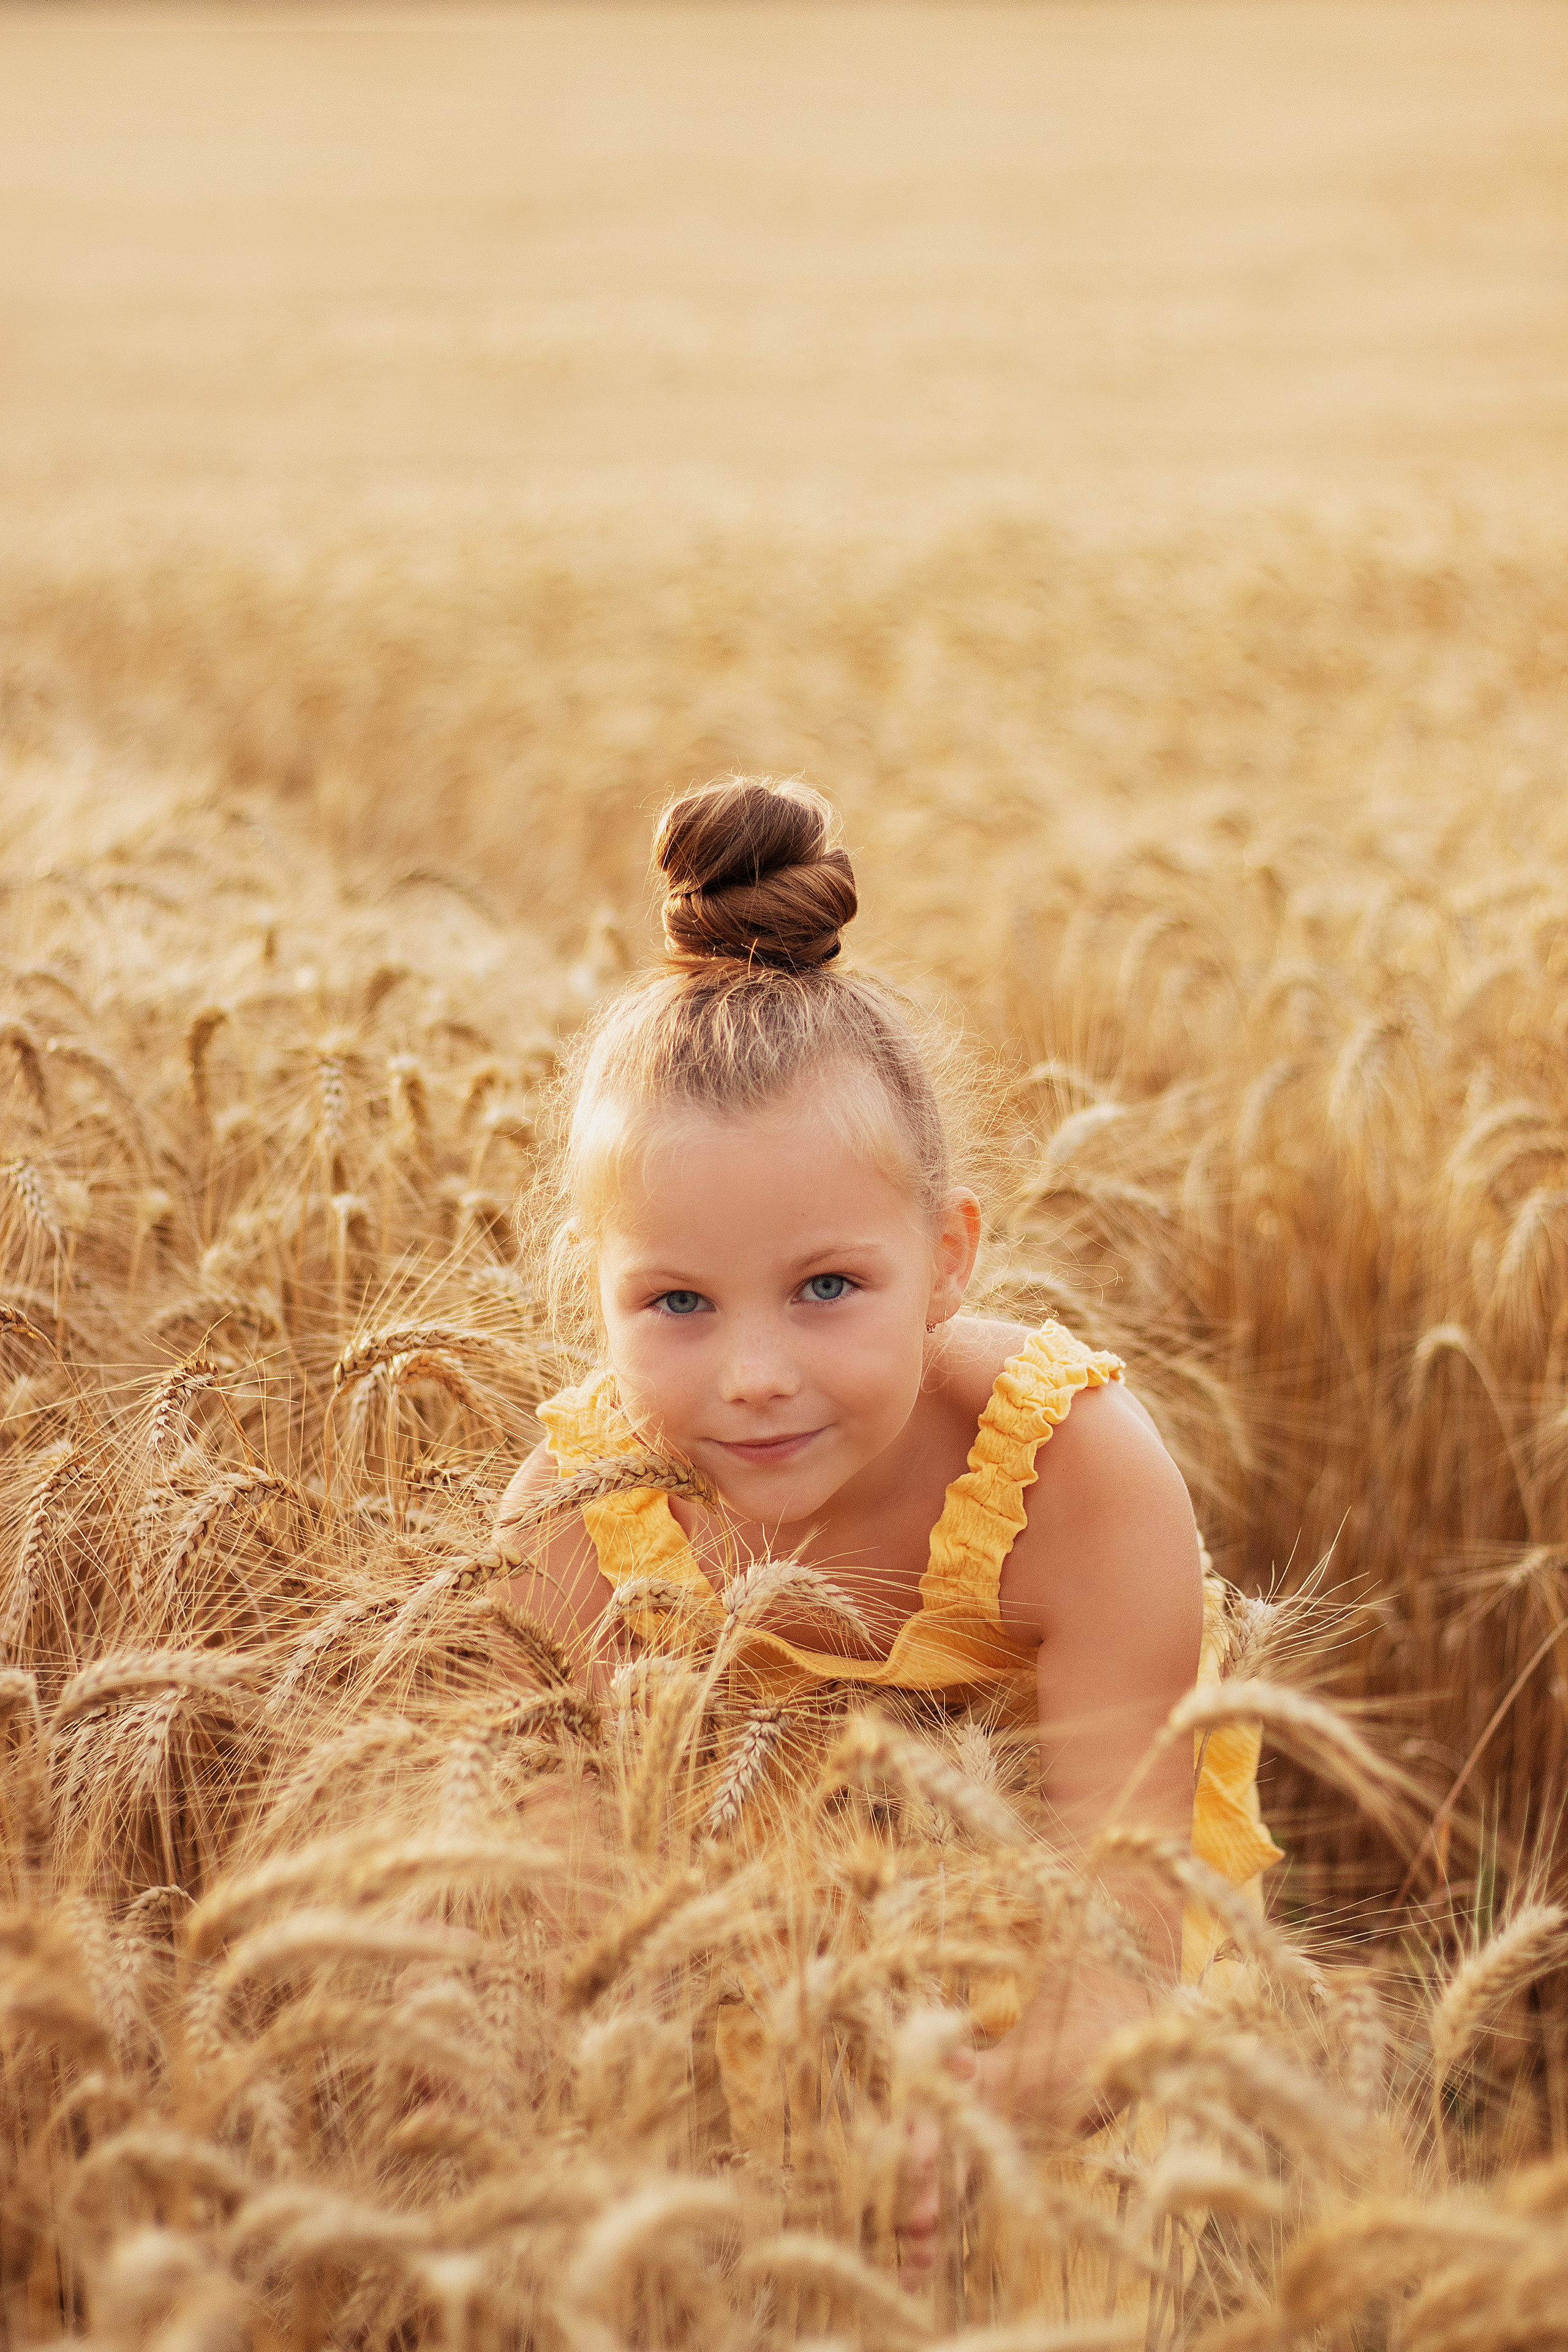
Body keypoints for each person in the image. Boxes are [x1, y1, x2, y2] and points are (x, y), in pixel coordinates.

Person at [495, 775, 1281, 2284]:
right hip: (735, 2004)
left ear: (947, 1256)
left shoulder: (1073, 1476)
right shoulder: (578, 1526)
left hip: (1060, 1976)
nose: (754, 1374)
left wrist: (973, 2118)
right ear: (591, 1286)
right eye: (675, 1301)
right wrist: (762, 2128)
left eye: (826, 1288)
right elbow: (577, 1948)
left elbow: (1118, 1955)